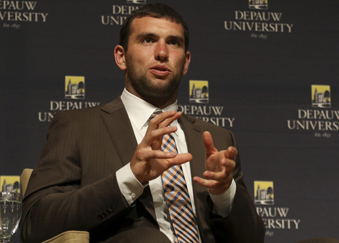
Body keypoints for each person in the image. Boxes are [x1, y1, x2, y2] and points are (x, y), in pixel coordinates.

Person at [20, 3, 265, 243]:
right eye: (148, 40)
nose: (161, 52)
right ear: (121, 57)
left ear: (186, 62)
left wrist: (224, 193)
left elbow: (252, 238)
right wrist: (130, 177)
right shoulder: (78, 126)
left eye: (173, 42)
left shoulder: (217, 139)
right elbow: (36, 224)